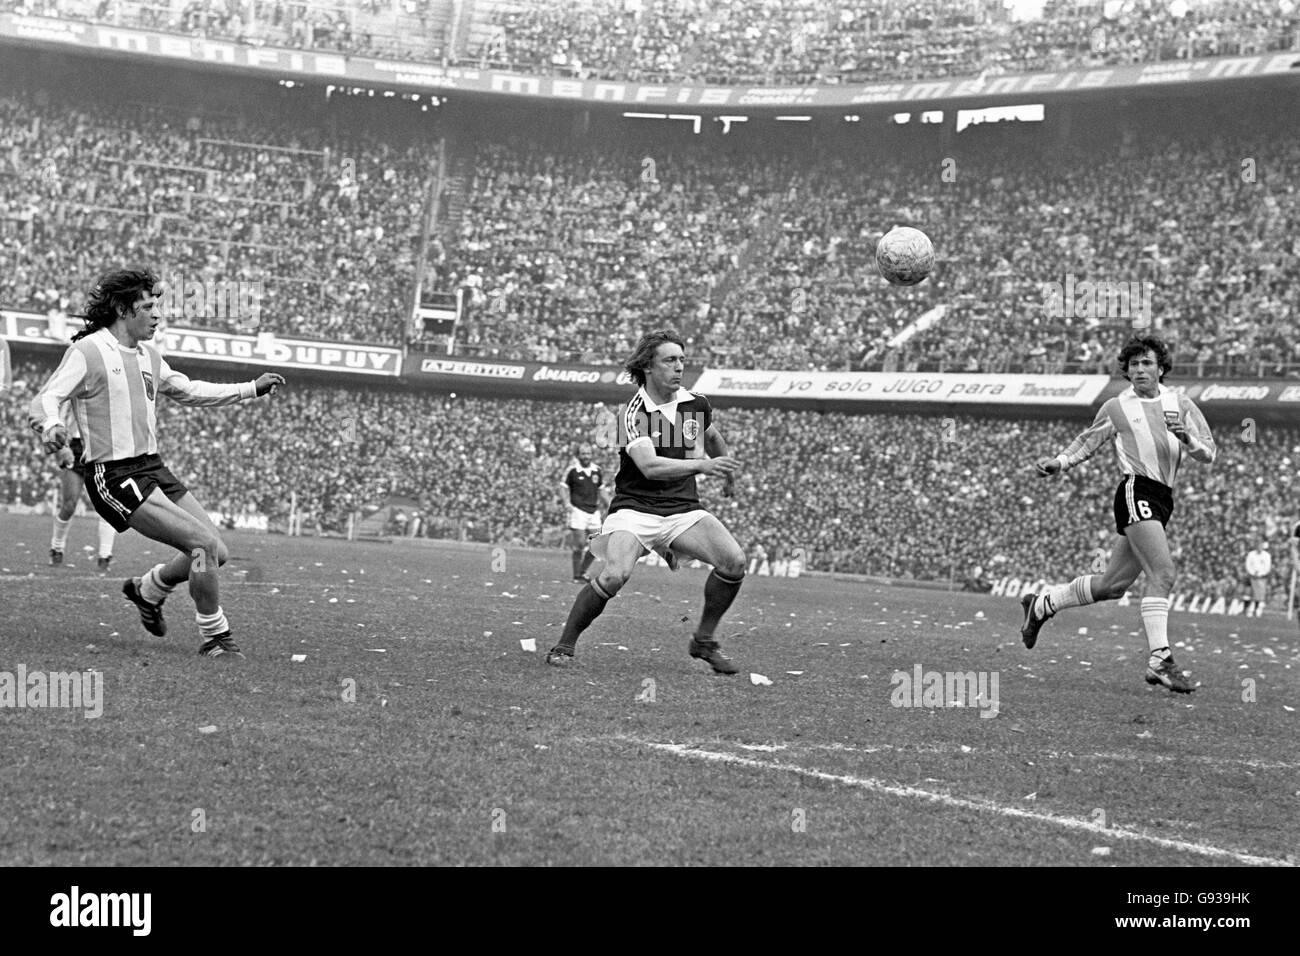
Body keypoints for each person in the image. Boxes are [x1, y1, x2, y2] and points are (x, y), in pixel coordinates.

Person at [28, 269, 285, 658]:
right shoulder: (89, 351)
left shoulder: (149, 354)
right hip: (114, 475)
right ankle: (216, 637)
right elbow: (47, 398)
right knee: (201, 545)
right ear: (122, 308)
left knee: (217, 552)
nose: (156, 315)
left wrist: (250, 388)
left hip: (152, 467)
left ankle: (148, 590)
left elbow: (188, 390)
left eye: (156, 306)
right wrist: (51, 425)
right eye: (148, 307)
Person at [1020, 335, 1216, 694]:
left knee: (1112, 586)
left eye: (1147, 363)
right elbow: (1087, 441)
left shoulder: (1182, 403)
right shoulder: (1116, 406)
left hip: (1163, 497)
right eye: (1134, 364)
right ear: (1126, 370)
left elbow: (1209, 454)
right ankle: (1160, 660)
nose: (1140, 369)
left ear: (1161, 368)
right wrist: (1059, 462)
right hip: (1134, 490)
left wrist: (1188, 439)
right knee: (1163, 572)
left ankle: (1043, 604)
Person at [546, 329, 746, 673]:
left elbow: (711, 435)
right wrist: (703, 464)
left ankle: (703, 641)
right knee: (615, 575)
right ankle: (564, 645)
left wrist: (726, 470)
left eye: (682, 360)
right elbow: (650, 467)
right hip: (634, 508)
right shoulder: (632, 412)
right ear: (648, 367)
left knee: (734, 563)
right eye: (670, 360)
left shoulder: (695, 404)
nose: (679, 367)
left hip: (683, 509)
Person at [48, 400, 117, 571]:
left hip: (102, 444)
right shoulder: (75, 380)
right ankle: (57, 547)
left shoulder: (110, 382)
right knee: (69, 503)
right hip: (75, 444)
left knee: (108, 503)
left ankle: (105, 555)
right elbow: (56, 415)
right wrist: (61, 446)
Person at [560, 442, 607, 582]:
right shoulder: (572, 470)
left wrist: (611, 504)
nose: (586, 456)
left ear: (592, 455)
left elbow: (602, 490)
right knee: (579, 544)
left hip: (593, 511)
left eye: (588, 453)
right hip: (578, 511)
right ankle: (577, 575)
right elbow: (562, 487)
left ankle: (581, 572)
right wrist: (566, 503)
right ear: (578, 455)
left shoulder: (597, 470)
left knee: (597, 544)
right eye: (583, 454)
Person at [1244, 540, 1272, 613]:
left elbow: (1267, 567)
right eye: (1258, 546)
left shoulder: (1267, 555)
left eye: (1261, 546)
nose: (1259, 547)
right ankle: (1245, 608)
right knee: (1248, 592)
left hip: (1261, 577)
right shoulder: (1251, 554)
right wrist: (1253, 573)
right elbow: (1248, 565)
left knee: (1259, 593)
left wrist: (1259, 574)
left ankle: (1257, 609)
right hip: (1251, 575)